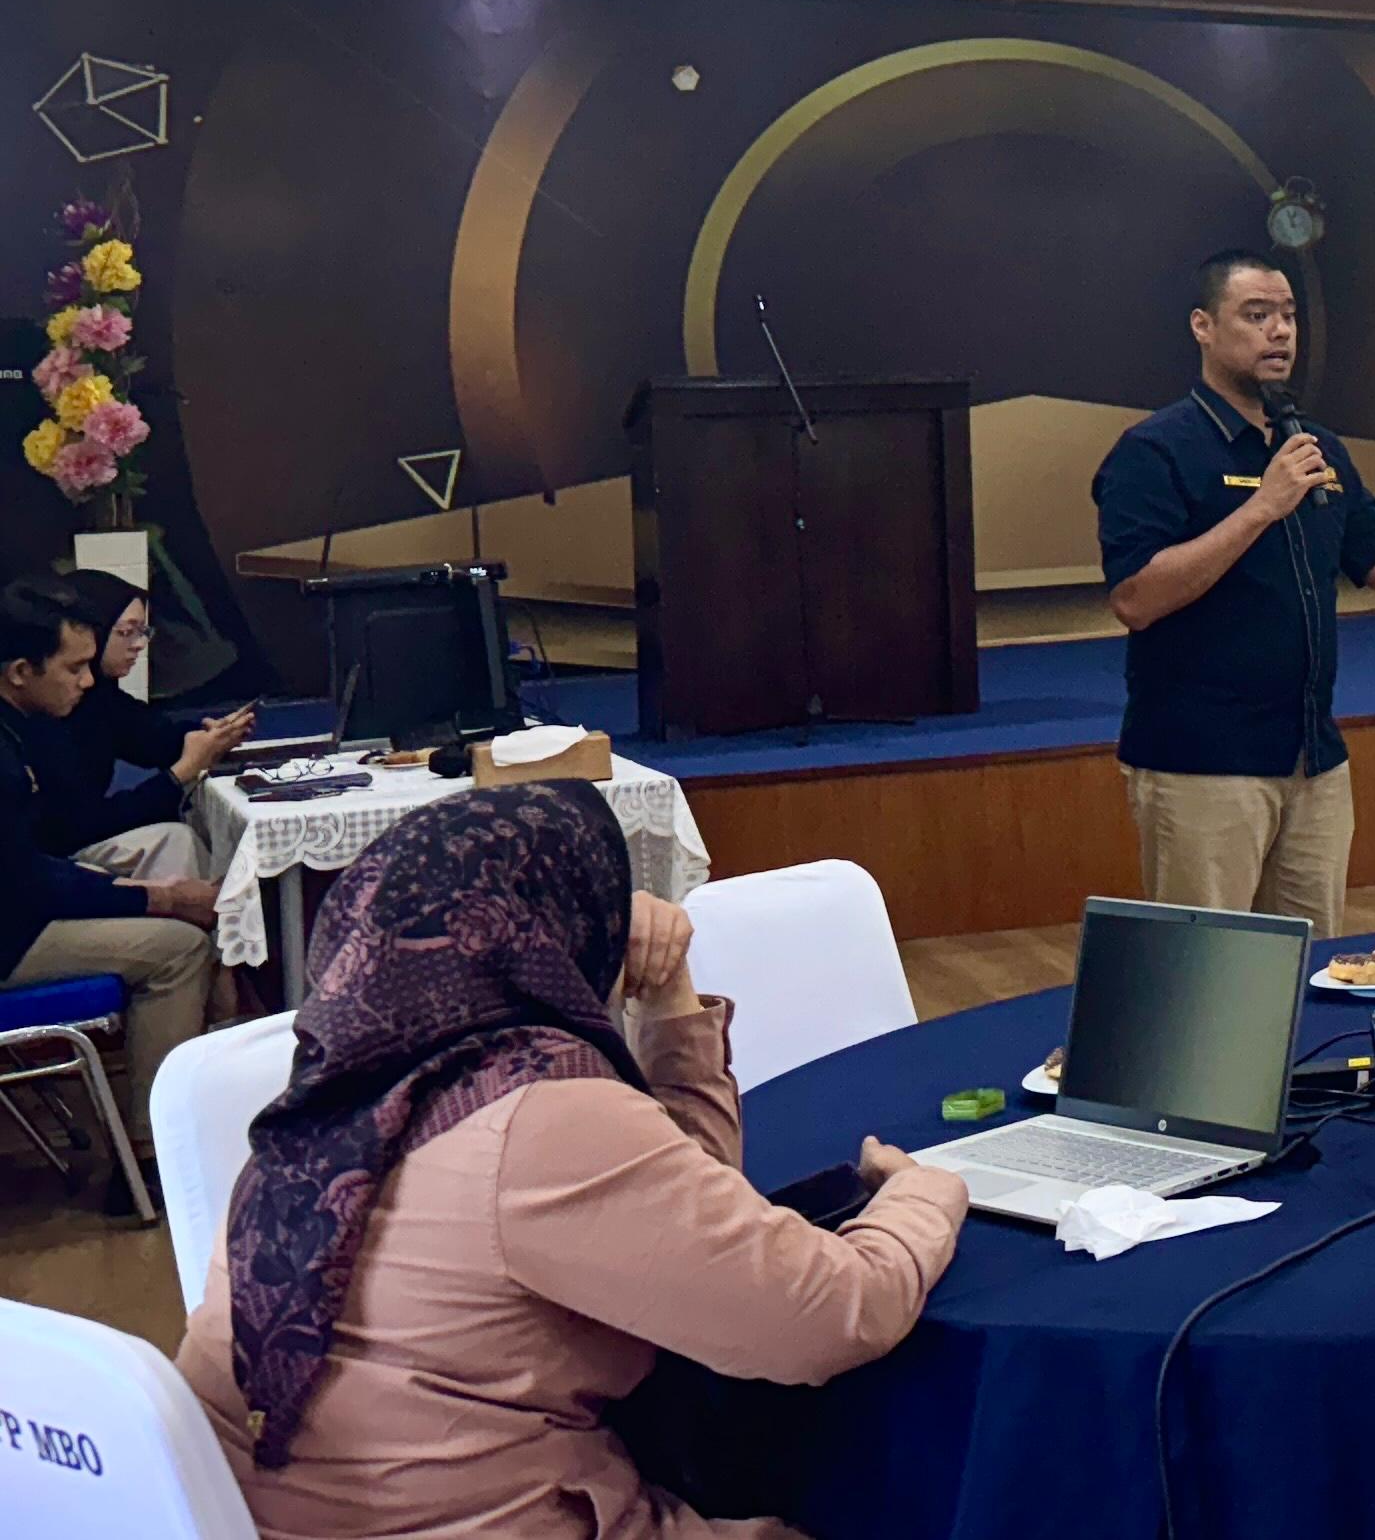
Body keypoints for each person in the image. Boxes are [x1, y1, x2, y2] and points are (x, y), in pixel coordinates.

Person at [174, 785, 966, 1540]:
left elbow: (687, 1219)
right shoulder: (539, 1115)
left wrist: (667, 999)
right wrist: (920, 1197)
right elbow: (827, 1316)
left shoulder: (335, 1097)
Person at [1093, 248, 1375, 933]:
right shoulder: (1156, 450)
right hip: (1202, 765)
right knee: (1207, 971)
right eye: (1256, 315)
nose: (1279, 331)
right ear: (1202, 326)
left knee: (1314, 966)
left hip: (1313, 763)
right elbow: (1135, 598)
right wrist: (1262, 506)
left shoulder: (1316, 448)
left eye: (1288, 315)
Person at [0, 575, 214, 1135]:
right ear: (20, 671)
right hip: (11, 936)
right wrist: (159, 899)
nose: (88, 680)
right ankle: (158, 1149)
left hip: (20, 908)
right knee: (180, 950)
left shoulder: (19, 724)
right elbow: (29, 884)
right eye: (73, 668)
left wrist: (134, 893)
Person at [23, 568, 253, 879]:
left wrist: (214, 734)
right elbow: (74, 827)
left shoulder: (99, 697)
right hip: (46, 858)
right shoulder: (44, 711)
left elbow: (150, 735)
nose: (140, 644)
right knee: (176, 841)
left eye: (143, 631)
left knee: (190, 824)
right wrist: (178, 776)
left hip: (74, 839)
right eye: (127, 632)